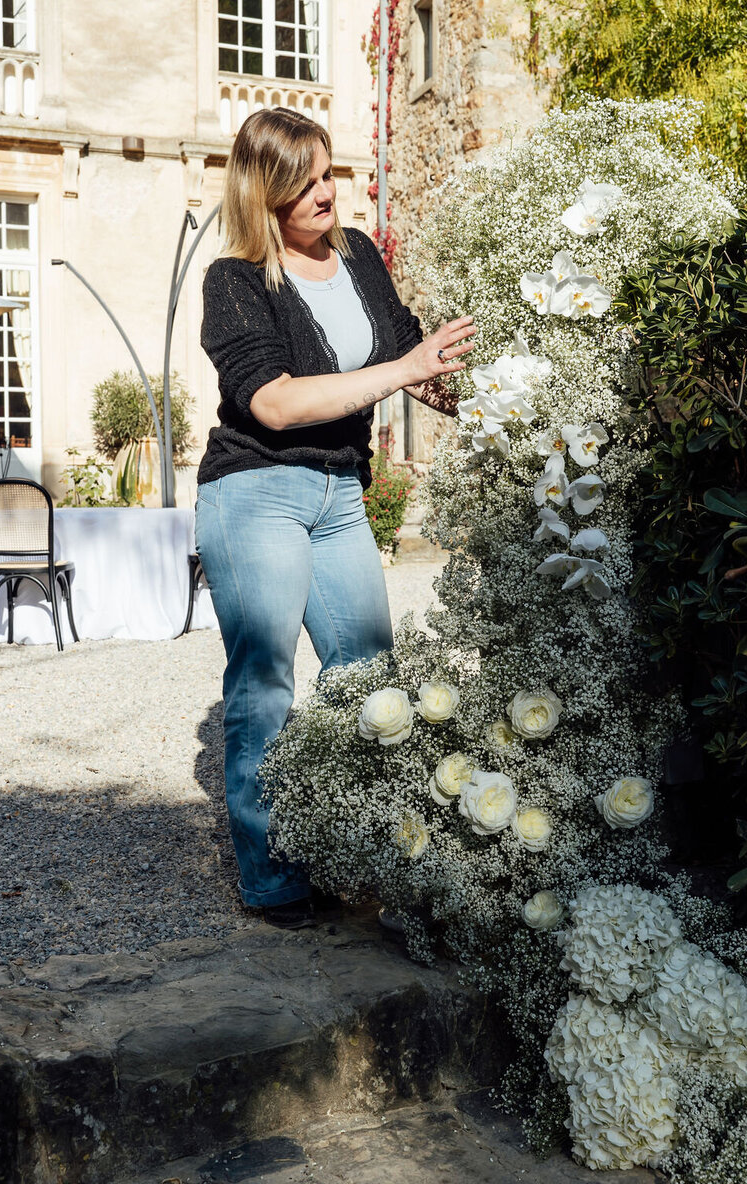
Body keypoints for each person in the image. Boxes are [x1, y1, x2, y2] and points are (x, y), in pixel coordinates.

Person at [196, 107, 475, 929]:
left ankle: (360, 850)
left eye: (330, 173)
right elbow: (274, 403)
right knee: (265, 685)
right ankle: (274, 876)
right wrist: (402, 368)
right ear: (266, 192)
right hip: (256, 491)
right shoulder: (235, 281)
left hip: (340, 492)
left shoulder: (356, 257)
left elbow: (413, 357)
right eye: (306, 181)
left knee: (367, 678)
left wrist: (491, 391)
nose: (328, 192)